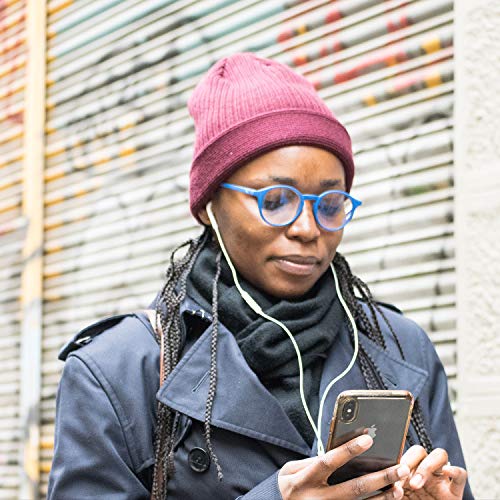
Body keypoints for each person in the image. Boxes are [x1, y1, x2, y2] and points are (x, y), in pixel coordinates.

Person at [47, 52, 473, 499]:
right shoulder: (115, 372)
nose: (308, 230)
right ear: (210, 206)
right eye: (275, 201)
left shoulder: (400, 349)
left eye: (330, 205)